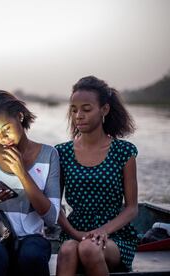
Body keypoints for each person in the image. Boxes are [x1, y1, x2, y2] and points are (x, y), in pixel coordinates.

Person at [0, 90, 60, 276]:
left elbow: (51, 218)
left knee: (32, 255)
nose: (2, 138)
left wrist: (22, 172)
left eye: (6, 129)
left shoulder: (49, 155)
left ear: (19, 116)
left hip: (32, 238)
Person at [56, 76, 139, 276]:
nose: (78, 116)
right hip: (75, 231)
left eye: (86, 109)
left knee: (88, 248)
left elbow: (132, 208)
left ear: (104, 109)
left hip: (114, 236)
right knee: (67, 249)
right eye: (74, 110)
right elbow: (54, 204)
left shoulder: (124, 152)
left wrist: (103, 231)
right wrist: (75, 233)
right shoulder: (61, 152)